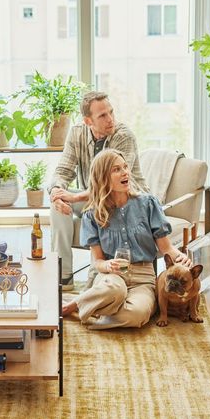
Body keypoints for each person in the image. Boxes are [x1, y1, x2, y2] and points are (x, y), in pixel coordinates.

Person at [61, 149, 191, 330]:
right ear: (103, 177)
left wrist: (180, 257)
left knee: (136, 315)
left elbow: (166, 247)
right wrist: (106, 266)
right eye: (116, 169)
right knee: (114, 290)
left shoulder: (147, 203)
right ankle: (76, 305)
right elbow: (97, 261)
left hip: (143, 279)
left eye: (125, 167)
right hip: (112, 276)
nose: (125, 173)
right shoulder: (92, 214)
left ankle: (89, 309)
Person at [48, 91, 148, 290]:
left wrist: (75, 196)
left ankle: (99, 274)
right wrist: (57, 192)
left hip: (125, 200)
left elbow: (111, 184)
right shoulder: (77, 132)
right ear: (87, 120)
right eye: (102, 115)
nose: (110, 119)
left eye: (111, 112)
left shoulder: (123, 136)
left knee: (76, 200)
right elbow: (63, 170)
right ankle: (64, 276)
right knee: (57, 206)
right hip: (94, 199)